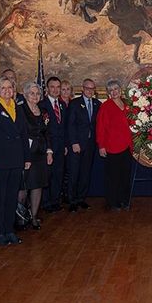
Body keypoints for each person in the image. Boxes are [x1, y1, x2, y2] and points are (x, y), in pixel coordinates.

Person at [0, 76, 31, 245]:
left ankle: (9, 230)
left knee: (12, 197)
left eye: (9, 88)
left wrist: (26, 157)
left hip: (16, 158)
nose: (7, 91)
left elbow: (24, 134)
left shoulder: (18, 108)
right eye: (3, 88)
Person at [19, 82, 52, 230]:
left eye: (38, 93)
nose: (35, 96)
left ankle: (33, 216)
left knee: (38, 184)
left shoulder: (44, 110)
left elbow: (47, 132)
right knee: (24, 187)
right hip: (26, 153)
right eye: (32, 93)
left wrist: (49, 151)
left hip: (40, 153)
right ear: (25, 94)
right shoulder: (20, 109)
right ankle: (20, 217)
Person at [96, 79, 133, 210]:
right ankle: (113, 202)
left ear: (120, 90)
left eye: (116, 89)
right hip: (112, 147)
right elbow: (100, 128)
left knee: (125, 176)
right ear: (108, 93)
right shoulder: (105, 106)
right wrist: (101, 145)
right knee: (113, 177)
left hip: (127, 146)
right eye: (111, 90)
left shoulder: (127, 104)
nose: (114, 92)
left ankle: (125, 200)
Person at [67, 78, 100, 212]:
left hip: (90, 145)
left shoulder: (98, 104)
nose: (90, 91)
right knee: (74, 173)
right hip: (77, 145)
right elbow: (70, 125)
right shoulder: (74, 104)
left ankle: (81, 199)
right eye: (87, 88)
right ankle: (72, 201)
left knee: (85, 174)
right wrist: (74, 142)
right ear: (82, 89)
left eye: (92, 89)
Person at [39, 76, 67, 213]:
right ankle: (46, 202)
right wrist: (47, 148)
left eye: (58, 87)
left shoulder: (62, 104)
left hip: (61, 146)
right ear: (47, 88)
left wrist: (66, 145)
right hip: (48, 146)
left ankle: (55, 201)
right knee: (47, 175)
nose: (55, 90)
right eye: (52, 87)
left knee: (58, 174)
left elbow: (65, 127)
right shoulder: (42, 105)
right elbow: (43, 130)